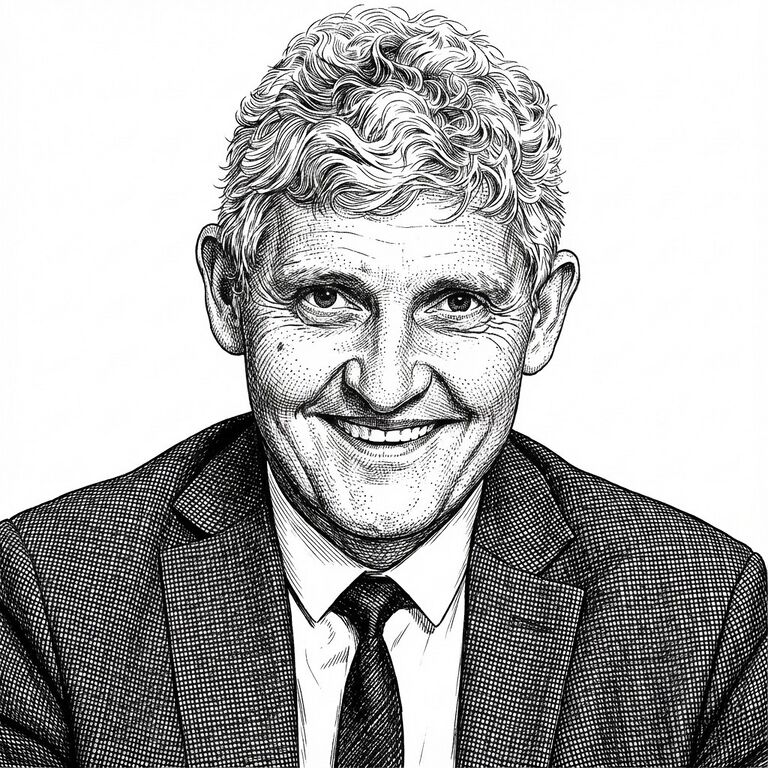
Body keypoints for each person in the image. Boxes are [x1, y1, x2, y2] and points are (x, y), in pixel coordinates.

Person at [0, 7, 765, 768]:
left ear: (542, 316)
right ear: (230, 294)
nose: (387, 386)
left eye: (455, 303)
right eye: (327, 297)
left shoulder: (702, 619)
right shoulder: (52, 600)